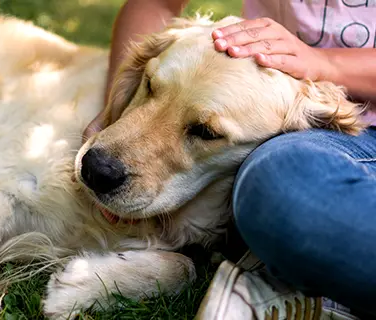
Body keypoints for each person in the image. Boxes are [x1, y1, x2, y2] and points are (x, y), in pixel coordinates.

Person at [83, 1, 376, 319]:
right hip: (307, 139)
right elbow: (157, 3)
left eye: (204, 131)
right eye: (152, 85)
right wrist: (116, 105)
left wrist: (327, 63)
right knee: (285, 189)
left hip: (337, 118)